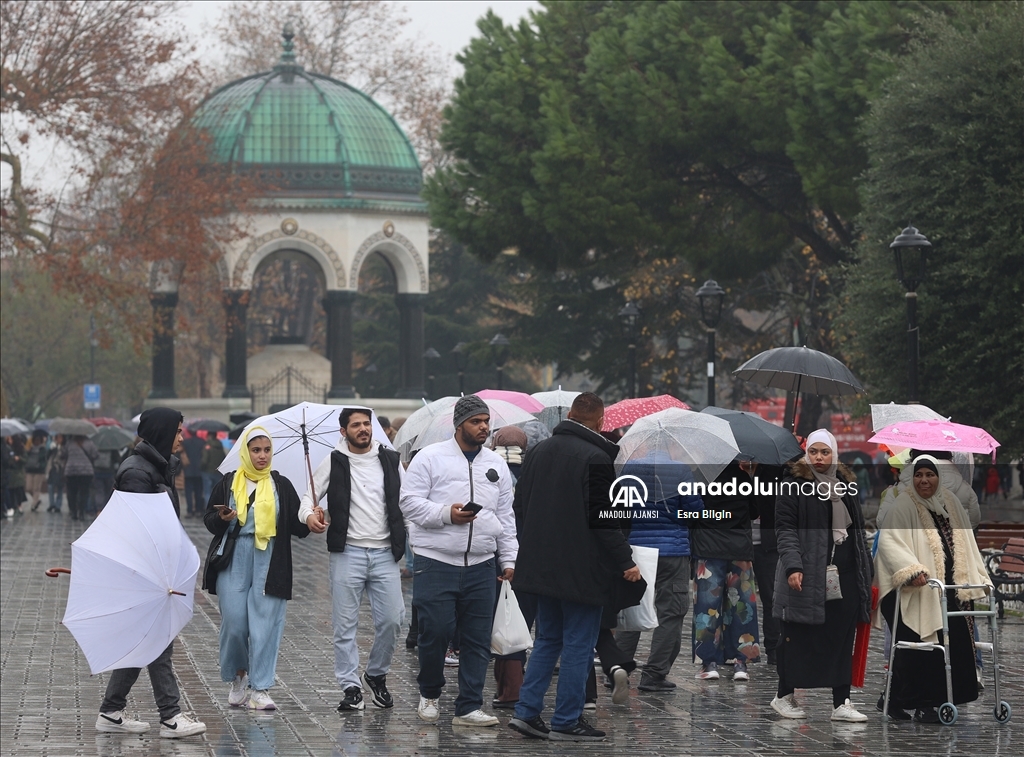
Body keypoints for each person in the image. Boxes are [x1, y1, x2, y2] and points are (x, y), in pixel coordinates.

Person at [509, 392, 639, 742]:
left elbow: (519, 506)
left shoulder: (537, 452)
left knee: (548, 640)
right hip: (582, 568)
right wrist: (626, 561)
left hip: (540, 565)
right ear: (599, 422)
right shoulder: (597, 457)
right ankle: (567, 718)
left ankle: (526, 712)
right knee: (579, 644)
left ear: (569, 414)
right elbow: (602, 518)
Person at [399, 395, 518, 727]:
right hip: (436, 561)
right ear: (459, 424)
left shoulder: (496, 464)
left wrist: (508, 558)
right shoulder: (430, 459)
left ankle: (469, 706)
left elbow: (506, 516)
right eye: (476, 422)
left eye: (485, 421)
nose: (483, 427)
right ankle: (430, 692)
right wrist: (446, 515)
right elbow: (408, 503)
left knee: (478, 637)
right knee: (435, 631)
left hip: (482, 563)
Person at [96, 407, 206, 738]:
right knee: (158, 641)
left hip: (155, 567)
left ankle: (111, 711)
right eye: (177, 432)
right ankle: (171, 717)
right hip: (143, 571)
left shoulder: (155, 467)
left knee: (143, 641)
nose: (181, 437)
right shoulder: (136, 472)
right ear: (162, 433)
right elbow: (137, 528)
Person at [300, 408, 407, 712]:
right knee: (344, 625)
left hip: (386, 553)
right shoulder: (334, 461)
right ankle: (350, 686)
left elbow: (407, 500)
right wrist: (310, 516)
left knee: (393, 619)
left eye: (366, 424)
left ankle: (375, 673)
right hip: (348, 552)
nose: (363, 429)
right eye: (356, 425)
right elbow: (308, 497)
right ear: (343, 431)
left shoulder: (390, 459)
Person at [875, 455, 990, 722]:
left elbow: (966, 541)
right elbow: (889, 542)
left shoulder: (949, 502)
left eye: (930, 475)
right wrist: (911, 570)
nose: (924, 480)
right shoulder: (903, 504)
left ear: (938, 477)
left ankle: (900, 700)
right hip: (912, 590)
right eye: (919, 475)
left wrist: (975, 577)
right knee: (919, 649)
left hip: (947, 588)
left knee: (950, 645)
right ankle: (926, 703)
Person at [203, 426, 310, 710]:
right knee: (235, 623)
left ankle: (261, 688)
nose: (262, 456)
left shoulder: (281, 485)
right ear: (245, 452)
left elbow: (298, 526)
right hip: (235, 554)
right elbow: (210, 520)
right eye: (256, 450)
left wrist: (314, 516)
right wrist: (223, 518)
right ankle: (238, 675)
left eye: (266, 450)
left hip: (271, 557)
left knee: (265, 625)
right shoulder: (228, 482)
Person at [770, 429, 873, 722]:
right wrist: (793, 566)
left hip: (845, 573)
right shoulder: (793, 485)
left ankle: (841, 702)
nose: (819, 457)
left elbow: (857, 533)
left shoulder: (845, 486)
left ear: (834, 454)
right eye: (813, 451)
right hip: (807, 573)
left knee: (841, 638)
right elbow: (785, 529)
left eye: (824, 452)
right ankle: (783, 695)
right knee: (800, 637)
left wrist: (867, 570)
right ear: (806, 454)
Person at [617, 452, 703, 691]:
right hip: (672, 552)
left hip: (638, 550)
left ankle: (618, 669)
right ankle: (654, 674)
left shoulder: (629, 468)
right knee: (671, 613)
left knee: (632, 608)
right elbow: (694, 509)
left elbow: (621, 508)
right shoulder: (681, 470)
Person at [690, 461, 761, 680]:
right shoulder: (742, 478)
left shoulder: (699, 477)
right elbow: (754, 512)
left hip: (708, 550)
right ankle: (741, 663)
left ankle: (709, 662)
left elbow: (692, 511)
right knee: (742, 604)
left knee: (707, 606)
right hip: (739, 549)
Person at [750, 463, 787, 665]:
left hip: (768, 544)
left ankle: (773, 648)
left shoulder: (774, 470)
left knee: (771, 598)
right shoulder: (729, 470)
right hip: (737, 542)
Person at [62, 434, 98, 521]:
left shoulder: (69, 443)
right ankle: (82, 512)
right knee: (84, 493)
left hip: (71, 471)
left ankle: (73, 512)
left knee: (72, 493)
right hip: (86, 471)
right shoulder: (90, 443)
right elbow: (95, 455)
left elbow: (63, 454)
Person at [181, 429, 206, 517]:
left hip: (188, 470)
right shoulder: (202, 442)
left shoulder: (186, 442)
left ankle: (190, 511)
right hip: (199, 471)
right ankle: (198, 510)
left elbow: (182, 453)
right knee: (198, 491)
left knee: (188, 492)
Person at [24, 431, 49, 512]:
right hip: (29, 469)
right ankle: (36, 500)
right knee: (28, 488)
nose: (37, 442)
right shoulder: (29, 448)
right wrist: (28, 450)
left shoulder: (43, 449)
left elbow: (45, 460)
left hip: (39, 471)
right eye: (35, 440)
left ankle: (34, 504)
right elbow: (25, 456)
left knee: (36, 488)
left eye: (38, 440)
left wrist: (40, 465)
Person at [201, 431, 227, 502]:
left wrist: (201, 468)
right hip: (217, 472)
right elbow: (223, 457)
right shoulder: (220, 445)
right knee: (216, 492)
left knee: (207, 492)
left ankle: (208, 510)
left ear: (209, 436)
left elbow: (204, 460)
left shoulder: (207, 446)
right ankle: (216, 509)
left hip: (207, 471)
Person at [46, 434, 66, 513]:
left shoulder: (64, 448)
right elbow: (48, 457)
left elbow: (64, 457)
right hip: (53, 469)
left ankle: (58, 505)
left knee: (60, 488)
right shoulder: (52, 447)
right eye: (57, 438)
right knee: (50, 487)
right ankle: (52, 504)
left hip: (61, 469)